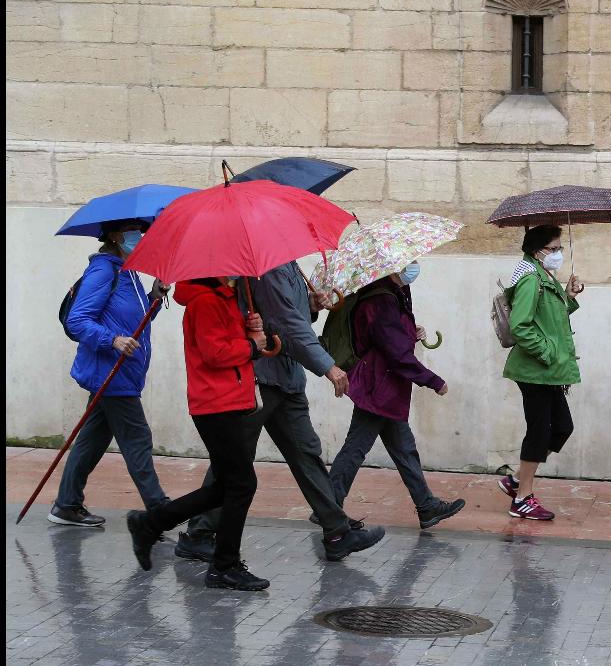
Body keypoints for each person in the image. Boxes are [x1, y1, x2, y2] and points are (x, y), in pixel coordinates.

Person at [174, 261, 384, 563]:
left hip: (285, 378)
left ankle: (337, 531)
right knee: (234, 460)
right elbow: (285, 322)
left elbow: (292, 313)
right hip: (262, 378)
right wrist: (327, 366)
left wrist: (310, 304)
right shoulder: (267, 267)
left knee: (306, 451)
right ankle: (199, 533)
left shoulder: (287, 264)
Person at [125, 277, 271, 591]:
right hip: (215, 404)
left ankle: (150, 523)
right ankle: (224, 565)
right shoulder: (205, 301)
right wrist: (250, 345)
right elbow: (214, 353)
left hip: (229, 399)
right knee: (243, 484)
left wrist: (253, 333)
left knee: (226, 487)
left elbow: (232, 346)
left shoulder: (225, 297)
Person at [327, 261, 466, 529]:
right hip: (378, 386)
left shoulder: (392, 294)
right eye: (408, 263)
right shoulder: (380, 300)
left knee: (404, 448)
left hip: (385, 387)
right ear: (391, 268)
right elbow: (396, 353)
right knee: (356, 448)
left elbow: (392, 338)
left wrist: (412, 332)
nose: (413, 267)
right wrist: (433, 380)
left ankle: (426, 507)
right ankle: (328, 507)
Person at [51, 220, 169, 528]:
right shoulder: (105, 270)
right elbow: (78, 320)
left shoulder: (128, 272)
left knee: (92, 440)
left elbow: (136, 320)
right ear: (116, 236)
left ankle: (66, 504)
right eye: (133, 231)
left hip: (123, 372)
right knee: (137, 438)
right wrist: (112, 340)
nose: (139, 236)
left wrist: (155, 297)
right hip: (111, 373)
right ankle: (160, 509)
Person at [497, 225, 584, 521]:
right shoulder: (531, 280)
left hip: (547, 371)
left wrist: (568, 296)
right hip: (534, 369)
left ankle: (517, 480)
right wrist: (547, 352)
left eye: (560, 248)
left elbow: (549, 319)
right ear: (538, 252)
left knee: (562, 427)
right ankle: (522, 498)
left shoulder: (545, 278)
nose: (559, 254)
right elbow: (521, 326)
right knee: (539, 430)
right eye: (554, 249)